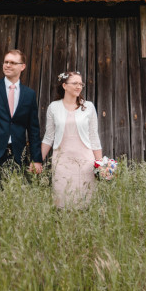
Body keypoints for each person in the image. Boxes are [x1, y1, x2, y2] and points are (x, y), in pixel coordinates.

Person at [0, 49, 43, 178]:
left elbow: (33, 129)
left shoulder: (29, 94)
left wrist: (36, 159)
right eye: (6, 62)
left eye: (12, 62)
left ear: (22, 66)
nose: (8, 65)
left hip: (18, 153)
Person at [41, 71, 103, 208]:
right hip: (62, 162)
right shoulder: (53, 107)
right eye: (75, 83)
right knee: (62, 202)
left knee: (85, 201)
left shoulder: (88, 107)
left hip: (85, 162)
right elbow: (48, 137)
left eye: (81, 84)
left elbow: (94, 136)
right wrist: (38, 161)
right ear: (64, 86)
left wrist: (100, 163)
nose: (79, 86)